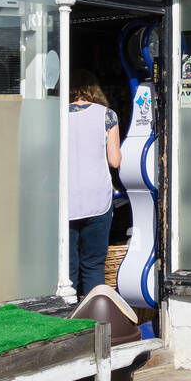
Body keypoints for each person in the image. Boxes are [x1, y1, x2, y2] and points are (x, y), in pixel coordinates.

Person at [68, 69, 122, 298]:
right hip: (98, 199)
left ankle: (64, 321)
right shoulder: (107, 115)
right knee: (93, 265)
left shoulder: (57, 114)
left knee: (66, 268)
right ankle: (93, 321)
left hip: (66, 199)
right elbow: (115, 160)